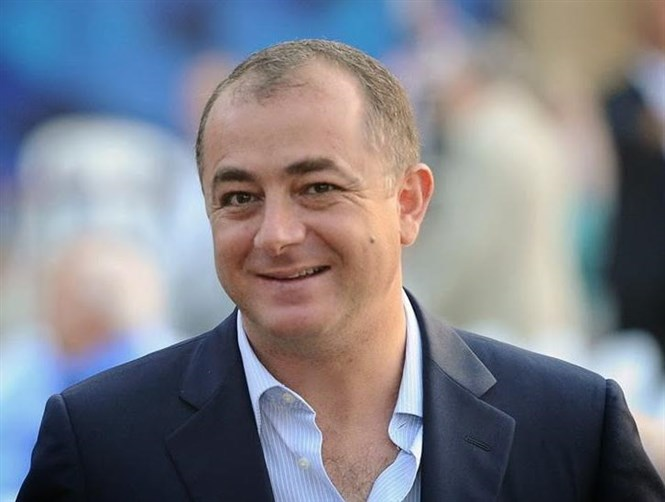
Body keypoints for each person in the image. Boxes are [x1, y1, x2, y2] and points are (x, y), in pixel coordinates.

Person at [18, 39, 663, 501]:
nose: (276, 235)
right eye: (239, 198)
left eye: (318, 189)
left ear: (408, 203)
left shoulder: (572, 427)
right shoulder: (100, 443)